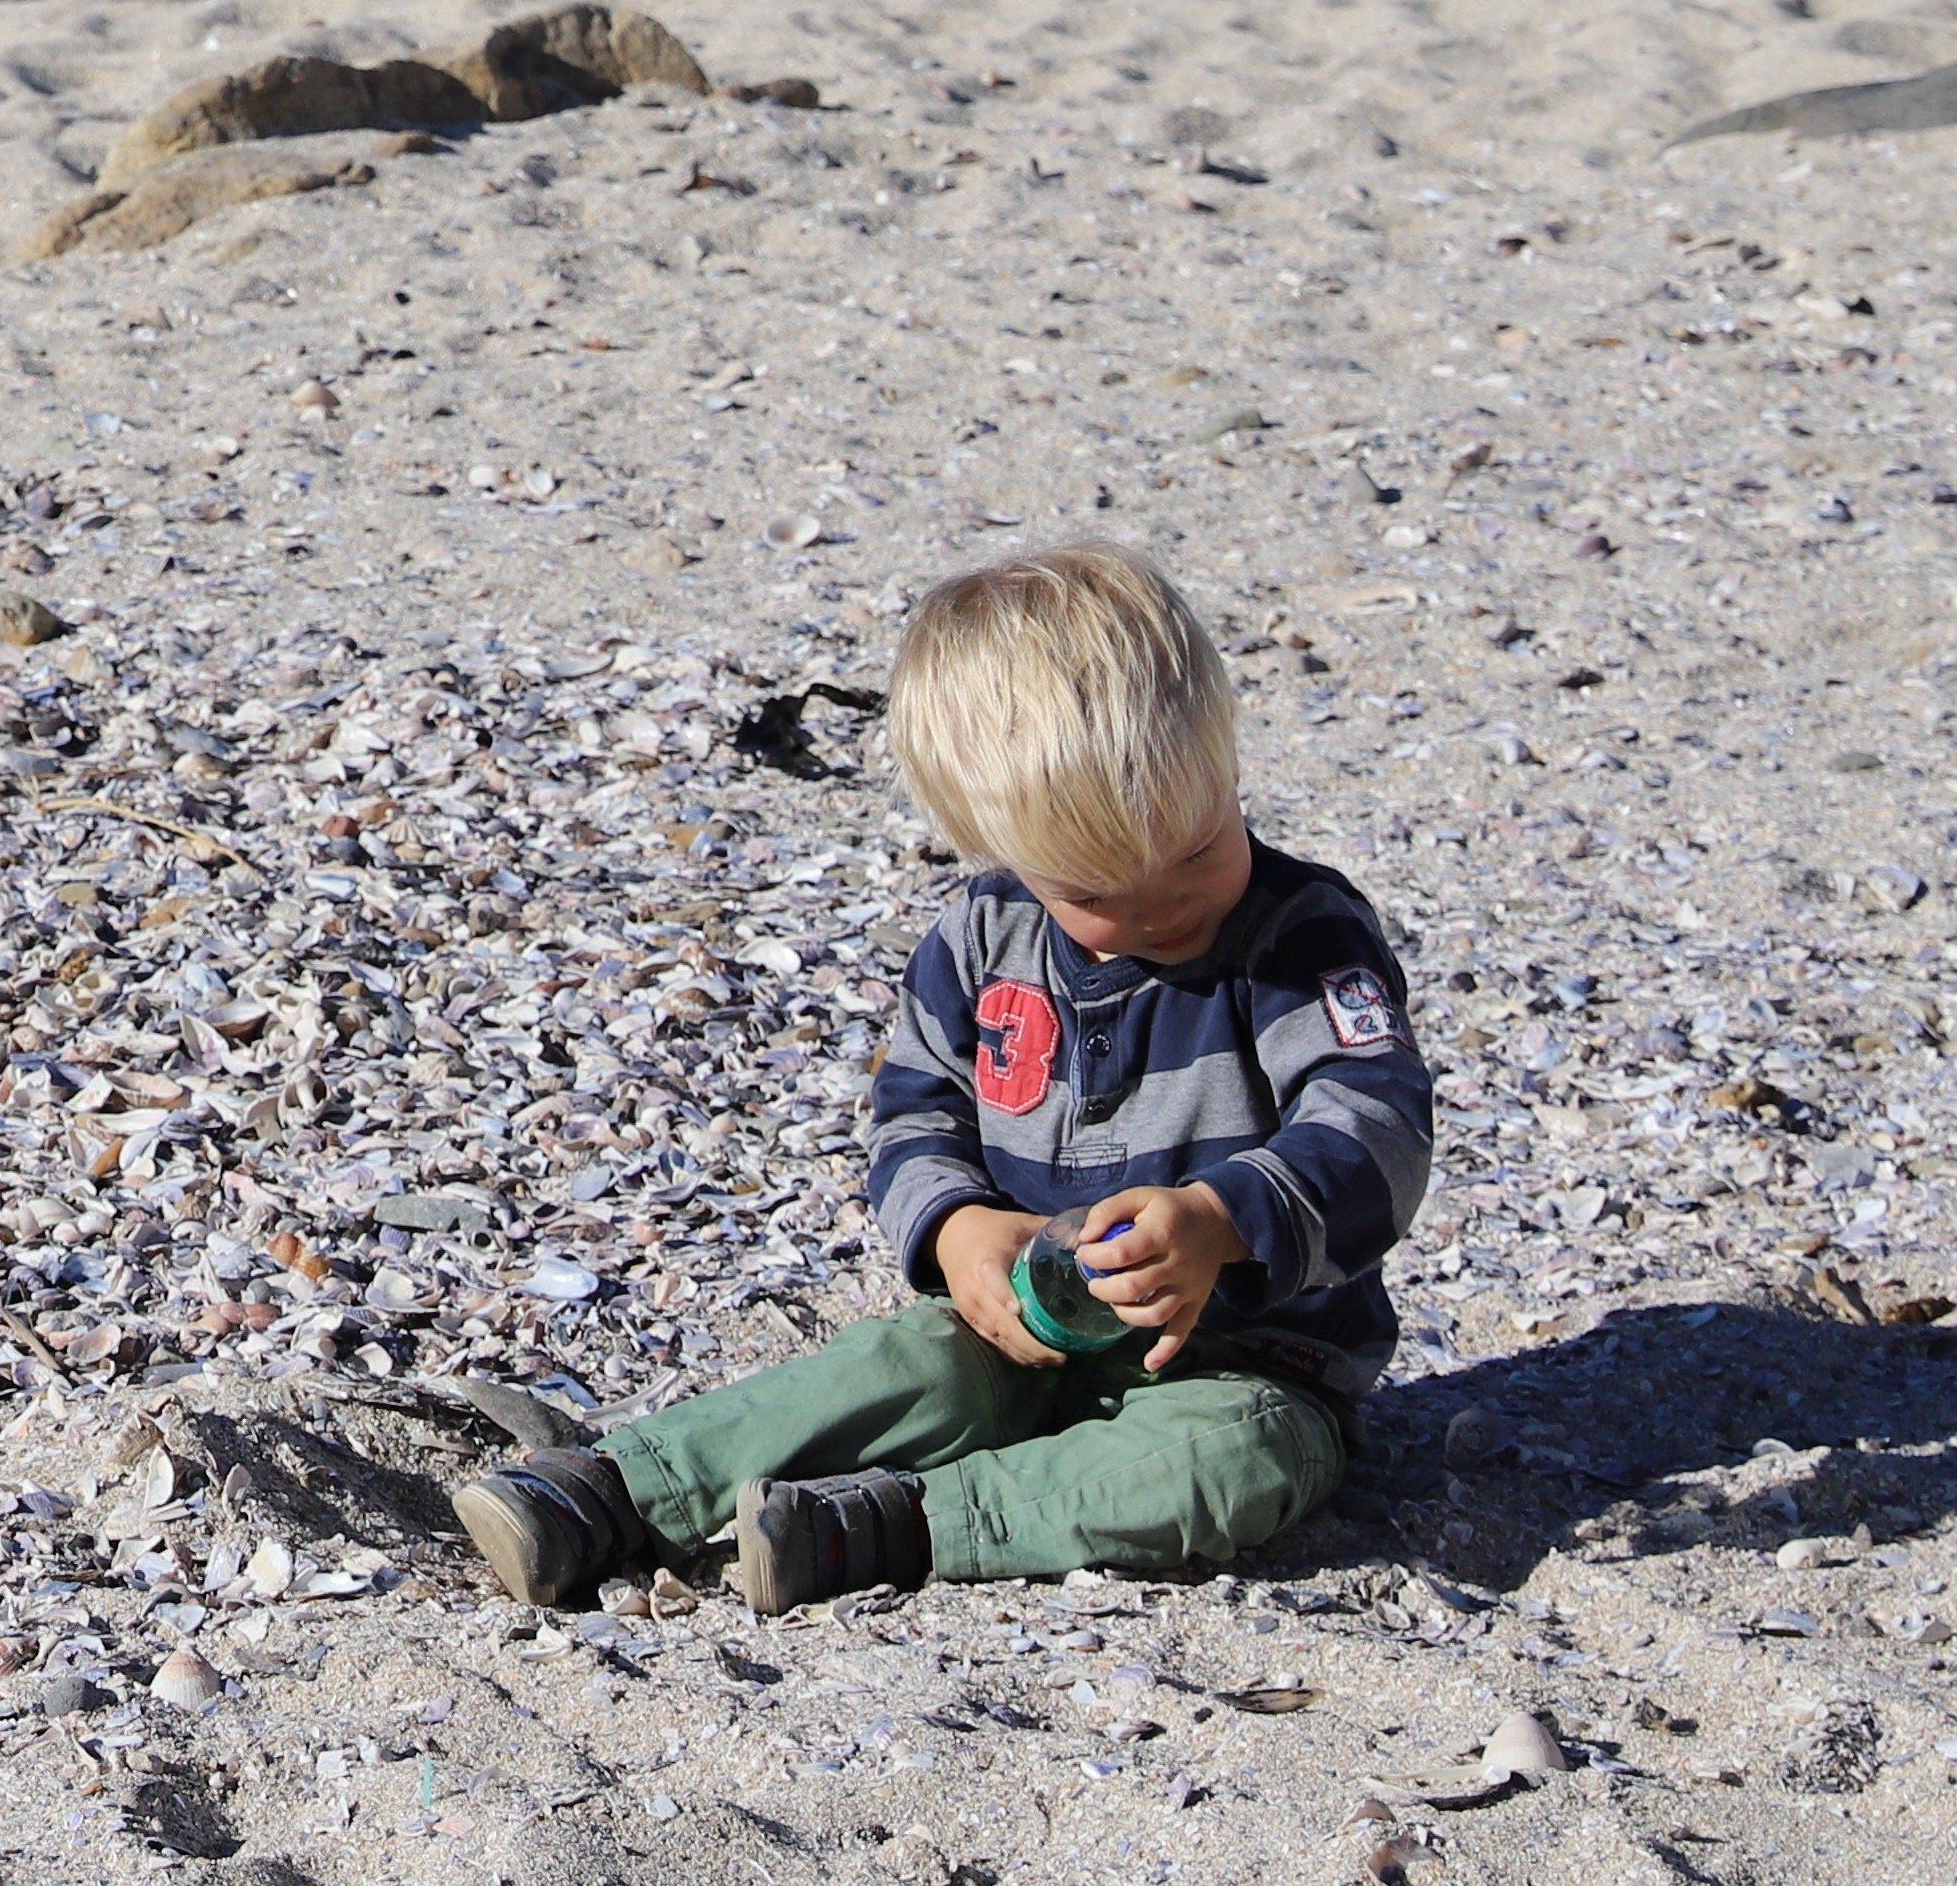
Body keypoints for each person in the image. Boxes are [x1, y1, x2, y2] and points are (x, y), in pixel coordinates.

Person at [449, 545, 1432, 1607]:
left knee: (1237, 1460)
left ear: (1229, 766)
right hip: (1023, 1327)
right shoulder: (980, 938)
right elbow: (916, 1111)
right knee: (899, 1363)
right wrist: (957, 1225)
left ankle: (889, 1525)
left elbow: (1376, 1120)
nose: (1161, 907)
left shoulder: (1301, 937)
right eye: (1100, 889)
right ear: (1001, 849)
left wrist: (1220, 1217)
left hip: (1249, 1361)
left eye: (1198, 848)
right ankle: (617, 1490)